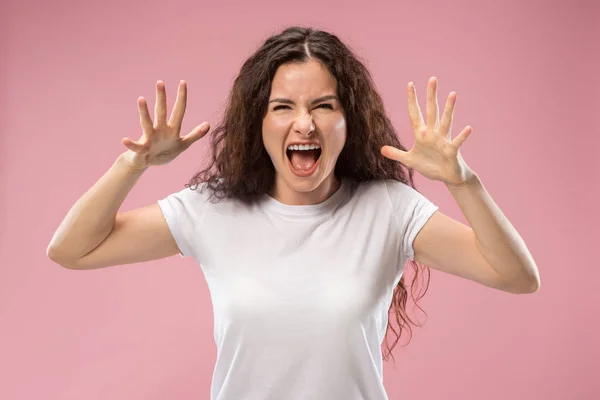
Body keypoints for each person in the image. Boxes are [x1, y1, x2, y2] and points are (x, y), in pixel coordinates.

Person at [47, 26, 540, 400]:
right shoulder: (213, 210)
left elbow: (517, 276)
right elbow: (71, 250)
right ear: (258, 122)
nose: (304, 123)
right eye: (282, 106)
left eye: (323, 106)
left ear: (351, 121)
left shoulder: (389, 209)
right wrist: (132, 164)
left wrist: (462, 182)